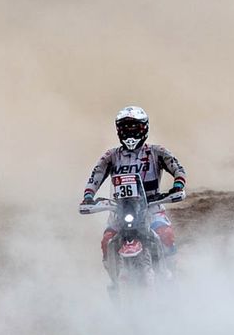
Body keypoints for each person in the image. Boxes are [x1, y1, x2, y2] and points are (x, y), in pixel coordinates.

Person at [80, 106, 187, 285]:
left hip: (151, 207)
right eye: (125, 128)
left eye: (134, 128)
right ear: (118, 130)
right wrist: (88, 196)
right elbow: (96, 176)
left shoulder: (156, 152)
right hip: (119, 210)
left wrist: (177, 186)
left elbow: (178, 169)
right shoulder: (111, 156)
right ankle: (115, 283)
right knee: (107, 241)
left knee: (165, 233)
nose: (129, 132)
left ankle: (170, 276)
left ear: (144, 128)